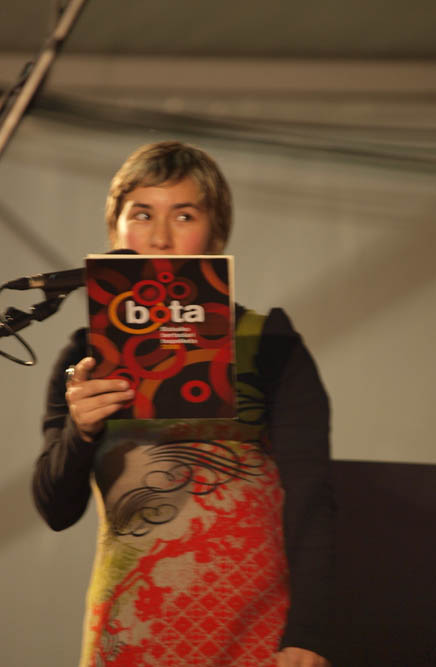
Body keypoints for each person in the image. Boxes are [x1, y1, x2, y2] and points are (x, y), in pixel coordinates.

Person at [32, 141, 335, 666]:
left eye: (184, 215)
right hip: (131, 631)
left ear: (216, 234)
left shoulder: (270, 343)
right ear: (115, 231)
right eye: (141, 214)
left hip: (255, 629)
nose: (159, 237)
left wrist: (308, 634)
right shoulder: (86, 356)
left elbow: (311, 496)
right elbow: (56, 509)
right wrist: (80, 431)